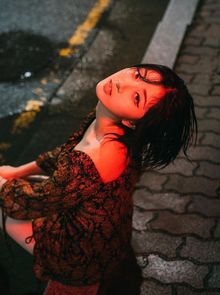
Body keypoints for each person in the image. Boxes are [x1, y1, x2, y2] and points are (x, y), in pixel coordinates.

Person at [0, 64, 197, 294]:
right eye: (137, 75)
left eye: (136, 98)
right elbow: (64, 153)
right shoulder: (107, 118)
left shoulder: (98, 157)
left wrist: (3, 183)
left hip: (78, 254)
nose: (123, 83)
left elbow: (32, 202)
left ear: (133, 122)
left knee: (6, 205)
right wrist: (16, 171)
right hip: (104, 233)